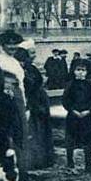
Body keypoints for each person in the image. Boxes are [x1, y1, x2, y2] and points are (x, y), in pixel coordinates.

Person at [0, 30, 30, 181]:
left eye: (14, 44)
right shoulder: (0, 60)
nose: (12, 47)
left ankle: (21, 172)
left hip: (18, 100)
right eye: (8, 44)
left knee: (20, 136)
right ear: (2, 45)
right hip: (9, 102)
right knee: (12, 137)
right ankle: (13, 173)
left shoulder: (13, 60)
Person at [18, 40, 54, 169]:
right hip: (33, 104)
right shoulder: (23, 68)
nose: (34, 55)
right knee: (34, 132)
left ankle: (43, 159)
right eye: (31, 53)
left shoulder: (31, 68)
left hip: (39, 102)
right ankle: (35, 160)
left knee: (41, 131)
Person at [62, 60, 91, 172]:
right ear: (73, 71)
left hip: (87, 116)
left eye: (83, 70)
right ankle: (70, 163)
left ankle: (88, 164)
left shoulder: (90, 85)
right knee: (71, 140)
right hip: (73, 117)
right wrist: (72, 110)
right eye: (78, 70)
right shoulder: (70, 85)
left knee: (87, 140)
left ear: (87, 72)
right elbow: (65, 100)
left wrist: (89, 110)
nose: (80, 73)